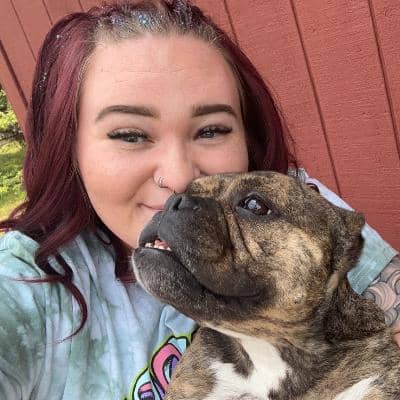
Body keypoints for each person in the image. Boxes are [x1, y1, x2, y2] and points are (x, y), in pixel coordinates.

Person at [0, 1, 398, 399]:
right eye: (130, 135)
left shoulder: (296, 204)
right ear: (69, 149)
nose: (178, 180)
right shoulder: (25, 285)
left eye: (211, 130)